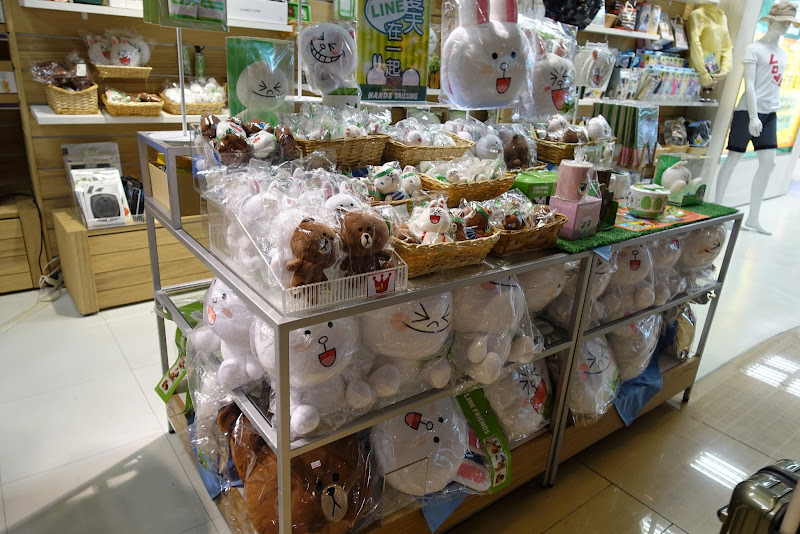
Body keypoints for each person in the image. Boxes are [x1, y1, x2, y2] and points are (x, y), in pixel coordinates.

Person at [714, 2, 799, 235]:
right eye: (783, 22)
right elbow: (749, 84)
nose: (786, 26)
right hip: (748, 112)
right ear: (771, 20)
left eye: (789, 23)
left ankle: (753, 217)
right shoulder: (754, 49)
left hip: (770, 113)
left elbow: (774, 84)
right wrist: (753, 116)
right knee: (733, 158)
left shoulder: (782, 53)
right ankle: (718, 210)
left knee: (769, 163)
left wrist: (769, 111)